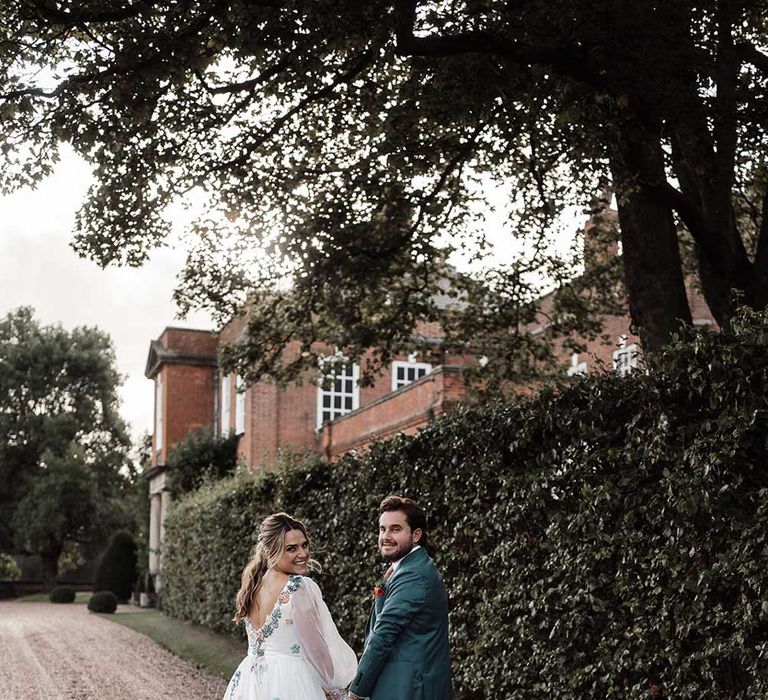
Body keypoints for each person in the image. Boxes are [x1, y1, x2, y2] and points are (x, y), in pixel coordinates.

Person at [224, 512, 357, 700]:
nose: (302, 554)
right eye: (291, 549)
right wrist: (335, 688)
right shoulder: (298, 587)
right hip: (290, 682)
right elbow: (316, 650)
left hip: (250, 682)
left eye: (304, 545)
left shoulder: (253, 585)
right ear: (270, 551)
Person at [348, 496, 452, 700]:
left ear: (416, 535)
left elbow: (383, 634)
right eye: (382, 529)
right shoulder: (410, 568)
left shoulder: (412, 575)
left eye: (395, 529)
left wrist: (356, 691)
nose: (385, 536)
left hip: (409, 689)